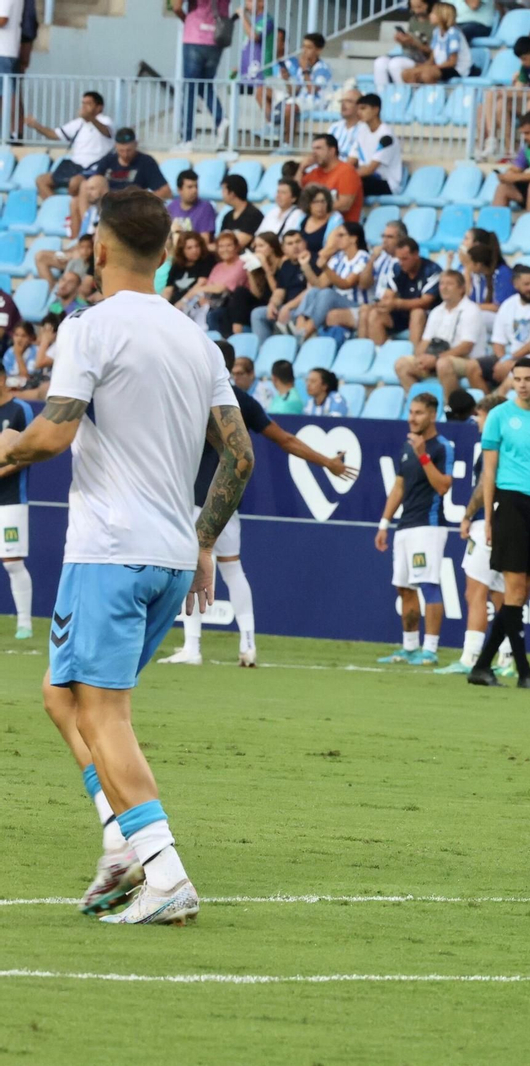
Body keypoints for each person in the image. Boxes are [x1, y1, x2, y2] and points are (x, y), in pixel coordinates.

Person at [0, 186, 255, 924]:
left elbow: (51, 435)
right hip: (170, 554)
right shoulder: (194, 338)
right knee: (62, 694)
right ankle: (119, 844)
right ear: (168, 252)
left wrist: (8, 449)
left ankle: (164, 872)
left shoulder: (90, 326)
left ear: (98, 248)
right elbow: (237, 456)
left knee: (103, 713)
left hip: (110, 550)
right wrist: (202, 541)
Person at [160, 342, 353, 668]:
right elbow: (285, 439)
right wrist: (326, 463)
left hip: (193, 499)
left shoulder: (190, 393)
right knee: (233, 569)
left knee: (191, 567)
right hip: (227, 500)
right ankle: (248, 644)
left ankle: (192, 647)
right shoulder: (242, 401)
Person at [465, 358, 530, 688]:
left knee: (522, 592)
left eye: (529, 378)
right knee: (513, 590)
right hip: (509, 503)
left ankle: (482, 666)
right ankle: (525, 672)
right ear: (512, 381)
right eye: (518, 379)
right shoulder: (498, 416)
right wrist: (488, 517)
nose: (523, 384)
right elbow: (489, 472)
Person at [437, 393, 514, 678]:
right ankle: (507, 658)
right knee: (500, 593)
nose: (476, 422)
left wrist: (468, 515)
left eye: (480, 416)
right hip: (509, 524)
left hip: (488, 524)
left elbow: (484, 486)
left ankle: (471, 656)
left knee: (476, 591)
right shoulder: (513, 447)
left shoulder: (492, 448)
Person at [375, 394, 454, 666]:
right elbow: (399, 487)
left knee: (428, 585)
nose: (412, 417)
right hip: (405, 525)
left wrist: (423, 455)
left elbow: (443, 486)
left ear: (432, 415)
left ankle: (430, 649)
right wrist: (384, 523)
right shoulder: (406, 447)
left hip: (428, 526)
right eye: (410, 412)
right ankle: (409, 647)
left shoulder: (442, 447)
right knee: (404, 588)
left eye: (419, 412)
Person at [400, 270, 487, 395]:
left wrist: (435, 359)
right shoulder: (437, 311)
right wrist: (420, 358)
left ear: (461, 288)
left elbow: (466, 347)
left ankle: (450, 408)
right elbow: (425, 341)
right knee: (402, 364)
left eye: (449, 284)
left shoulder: (471, 310)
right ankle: (422, 402)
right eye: (441, 284)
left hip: (465, 361)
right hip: (437, 358)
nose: (444, 288)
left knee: (443, 364)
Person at [26, 91, 114, 202]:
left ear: (99, 107)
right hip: (73, 166)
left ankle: (72, 211)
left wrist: (91, 118)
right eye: (83, 103)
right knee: (41, 180)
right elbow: (54, 134)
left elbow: (106, 131)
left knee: (75, 183)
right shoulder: (78, 123)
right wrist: (36, 126)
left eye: (88, 104)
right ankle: (56, 207)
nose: (84, 107)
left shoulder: (105, 120)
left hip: (93, 167)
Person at [291, 221, 371, 341]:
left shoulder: (363, 257)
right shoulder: (338, 257)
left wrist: (325, 268)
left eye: (341, 235)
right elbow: (320, 284)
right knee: (313, 291)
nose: (336, 239)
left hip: (356, 304)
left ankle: (305, 332)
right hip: (337, 301)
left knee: (327, 294)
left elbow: (346, 284)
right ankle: (299, 328)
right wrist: (305, 266)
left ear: (353, 239)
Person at [360, 236, 441, 345]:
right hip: (403, 314)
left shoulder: (432, 270)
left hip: (427, 316)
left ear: (416, 255)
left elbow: (426, 302)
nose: (401, 263)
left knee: (417, 313)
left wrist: (397, 303)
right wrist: (384, 304)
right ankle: (380, 354)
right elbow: (389, 295)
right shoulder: (397, 268)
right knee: (375, 314)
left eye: (405, 259)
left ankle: (413, 356)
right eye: (399, 259)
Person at [172, 0, 231, 150]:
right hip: (217, 38)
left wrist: (186, 19)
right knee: (205, 85)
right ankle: (220, 119)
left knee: (191, 88)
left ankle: (187, 139)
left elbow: (176, 6)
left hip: (195, 37)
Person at [0, 376, 32, 638]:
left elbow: (30, 452)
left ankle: (25, 623)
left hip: (10, 500)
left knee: (12, 563)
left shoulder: (20, 409)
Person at [490, 264, 530, 384]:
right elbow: (498, 340)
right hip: (508, 357)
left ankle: (496, 399)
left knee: (513, 375)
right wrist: (502, 359)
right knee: (474, 367)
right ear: (516, 285)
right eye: (527, 284)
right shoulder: (507, 305)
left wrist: (510, 360)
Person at [275, 32, 333, 144]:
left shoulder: (322, 68)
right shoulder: (301, 68)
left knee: (289, 108)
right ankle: (272, 128)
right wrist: (286, 79)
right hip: (302, 100)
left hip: (317, 102)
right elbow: (294, 92)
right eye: (303, 46)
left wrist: (305, 70)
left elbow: (312, 90)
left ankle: (287, 143)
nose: (305, 51)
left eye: (309, 47)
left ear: (318, 50)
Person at [250, 228, 308, 342]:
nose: (295, 246)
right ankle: (264, 350)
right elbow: (279, 291)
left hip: (303, 307)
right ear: (284, 249)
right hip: (286, 308)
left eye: (298, 242)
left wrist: (288, 307)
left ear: (305, 243)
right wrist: (273, 304)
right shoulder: (286, 265)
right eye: (290, 244)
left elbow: (311, 290)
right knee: (257, 313)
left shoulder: (312, 260)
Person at [81, 129, 171, 200]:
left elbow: (165, 191)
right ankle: (86, 222)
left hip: (133, 204)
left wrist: (142, 200)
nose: (125, 154)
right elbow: (96, 181)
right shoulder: (108, 160)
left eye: (129, 150)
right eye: (121, 151)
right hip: (108, 203)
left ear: (136, 145)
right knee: (82, 189)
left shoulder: (146, 162)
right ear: (116, 146)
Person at [301, 133, 363, 224]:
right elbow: (294, 196)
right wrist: (301, 168)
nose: (314, 153)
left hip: (343, 227)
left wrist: (315, 208)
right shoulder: (314, 173)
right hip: (317, 225)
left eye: (318, 148)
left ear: (332, 151)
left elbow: (344, 205)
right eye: (313, 149)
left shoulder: (347, 171)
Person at [351, 94, 404, 200]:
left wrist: (344, 175)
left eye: (363, 108)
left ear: (375, 110)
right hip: (366, 177)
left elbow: (370, 170)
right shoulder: (362, 131)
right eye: (358, 109)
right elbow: (351, 160)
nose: (359, 113)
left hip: (387, 184)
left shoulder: (386, 135)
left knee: (352, 183)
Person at [402, 0, 466, 83]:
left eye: (433, 13)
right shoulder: (436, 31)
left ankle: (433, 95)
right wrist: (425, 65)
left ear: (442, 16)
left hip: (456, 69)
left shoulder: (453, 33)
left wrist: (433, 67)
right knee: (407, 73)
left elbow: (452, 62)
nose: (430, 15)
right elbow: (433, 56)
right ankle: (418, 95)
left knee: (427, 74)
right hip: (440, 66)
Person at [374, 0, 434, 87]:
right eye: (413, 7)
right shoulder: (413, 21)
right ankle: (382, 96)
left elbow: (434, 51)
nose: (416, 10)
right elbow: (410, 43)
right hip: (410, 55)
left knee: (395, 64)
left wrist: (413, 43)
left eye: (419, 7)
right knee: (380, 62)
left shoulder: (435, 23)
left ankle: (403, 95)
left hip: (424, 59)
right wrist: (403, 41)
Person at [167, 169, 218, 237]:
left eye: (196, 186)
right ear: (180, 190)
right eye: (190, 187)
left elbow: (204, 240)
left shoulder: (205, 208)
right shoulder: (171, 207)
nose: (195, 190)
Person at [217, 174, 263, 238]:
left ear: (232, 193)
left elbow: (239, 243)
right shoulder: (228, 216)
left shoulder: (253, 215)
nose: (222, 194)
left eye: (224, 190)